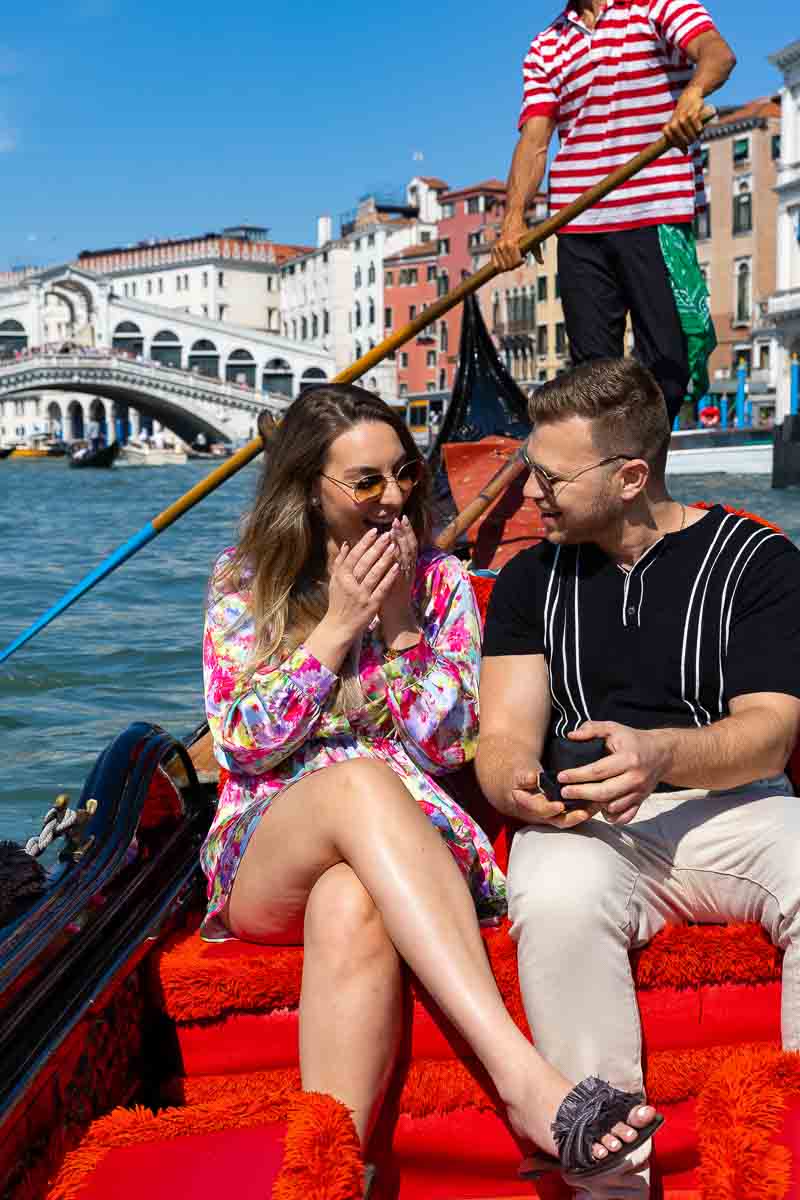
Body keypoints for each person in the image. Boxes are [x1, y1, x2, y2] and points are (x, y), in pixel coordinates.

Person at [201, 383, 659, 1190]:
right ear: (311, 488)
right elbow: (242, 741)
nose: (395, 499)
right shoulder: (248, 580)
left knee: (350, 900)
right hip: (268, 846)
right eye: (366, 482)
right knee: (355, 777)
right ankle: (523, 1082)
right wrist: (339, 625)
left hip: (410, 849)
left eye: (404, 474)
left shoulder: (442, 583)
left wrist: (400, 620)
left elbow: (451, 744)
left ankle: (331, 1172)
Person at [477, 357, 800, 1197]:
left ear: (628, 476)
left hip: (733, 809)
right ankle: (611, 1186)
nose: (530, 491)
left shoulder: (757, 562)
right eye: (527, 468)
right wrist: (515, 779)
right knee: (552, 898)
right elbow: (504, 734)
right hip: (588, 828)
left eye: (548, 476)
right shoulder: (526, 580)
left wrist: (660, 754)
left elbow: (770, 736)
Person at [490, 0, 736, 424]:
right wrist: (513, 222)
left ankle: (645, 474)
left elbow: (717, 53)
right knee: (591, 378)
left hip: (655, 211)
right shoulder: (546, 45)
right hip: (578, 225)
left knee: (668, 366)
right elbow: (534, 141)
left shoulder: (658, 6)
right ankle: (606, 481)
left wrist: (692, 95)